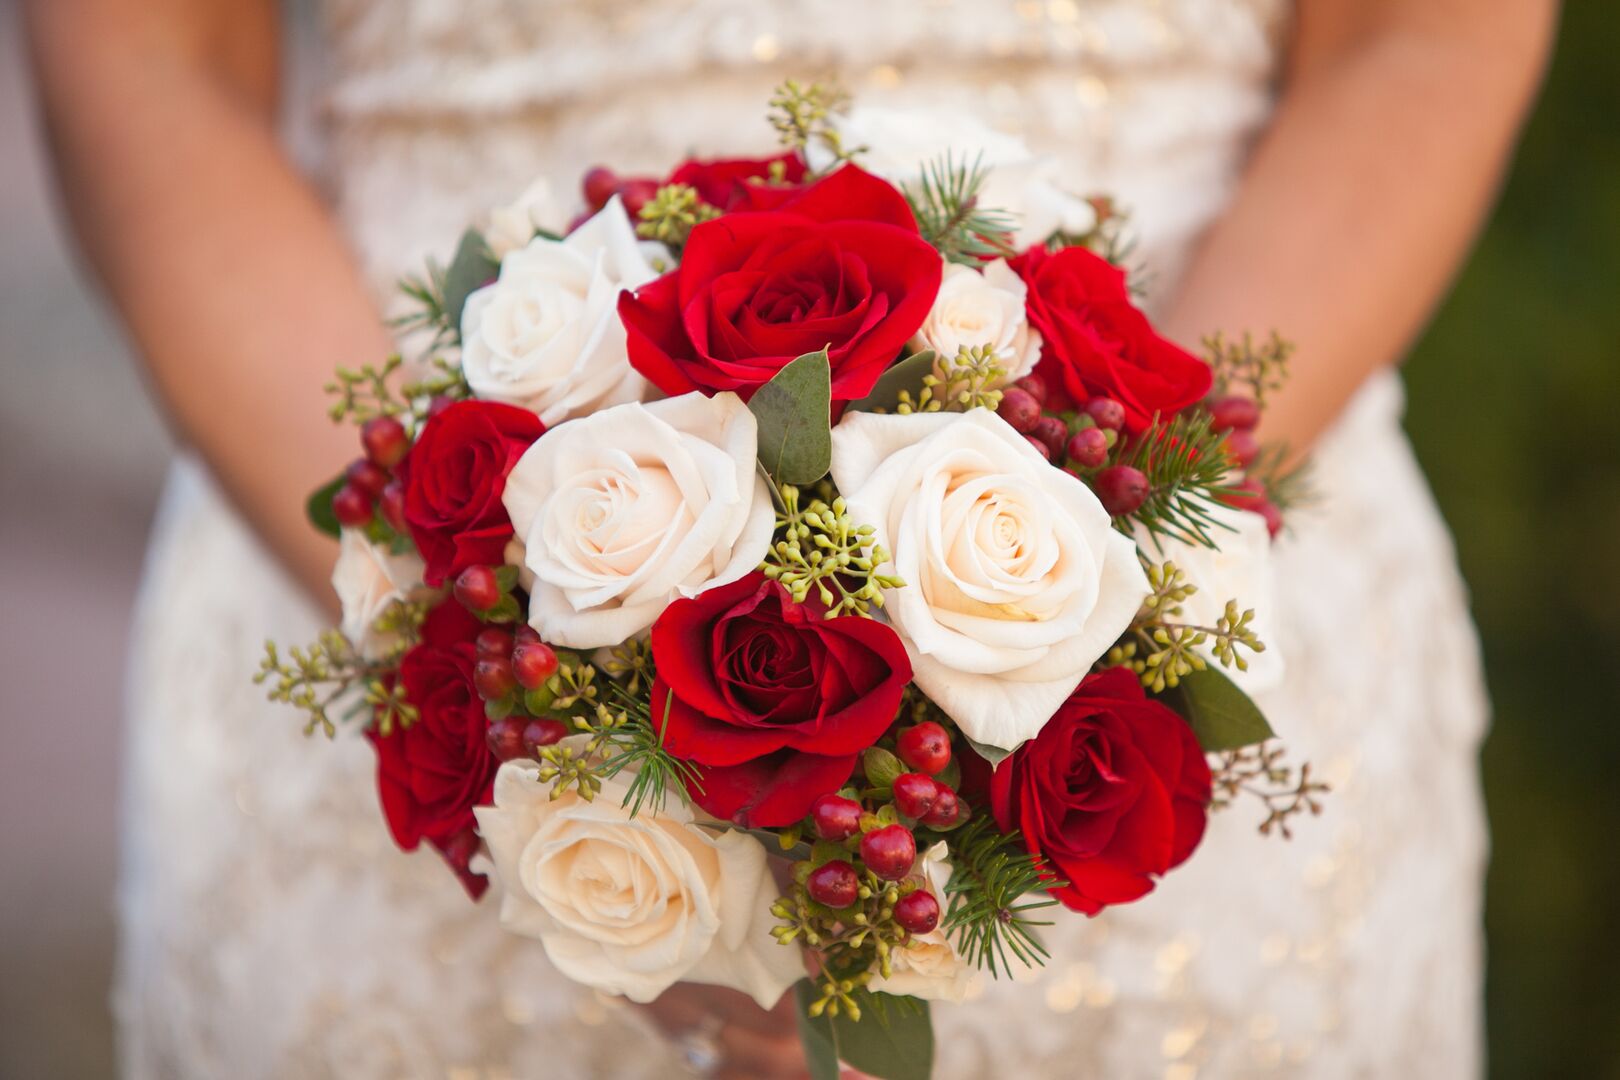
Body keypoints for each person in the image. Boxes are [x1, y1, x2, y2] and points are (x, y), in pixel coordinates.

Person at [26, 0, 1555, 1076]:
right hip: (400, 564)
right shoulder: (460, 624)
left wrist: (1120, 568)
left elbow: (1423, 34)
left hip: (1207, 507)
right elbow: (146, 54)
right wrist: (481, 651)